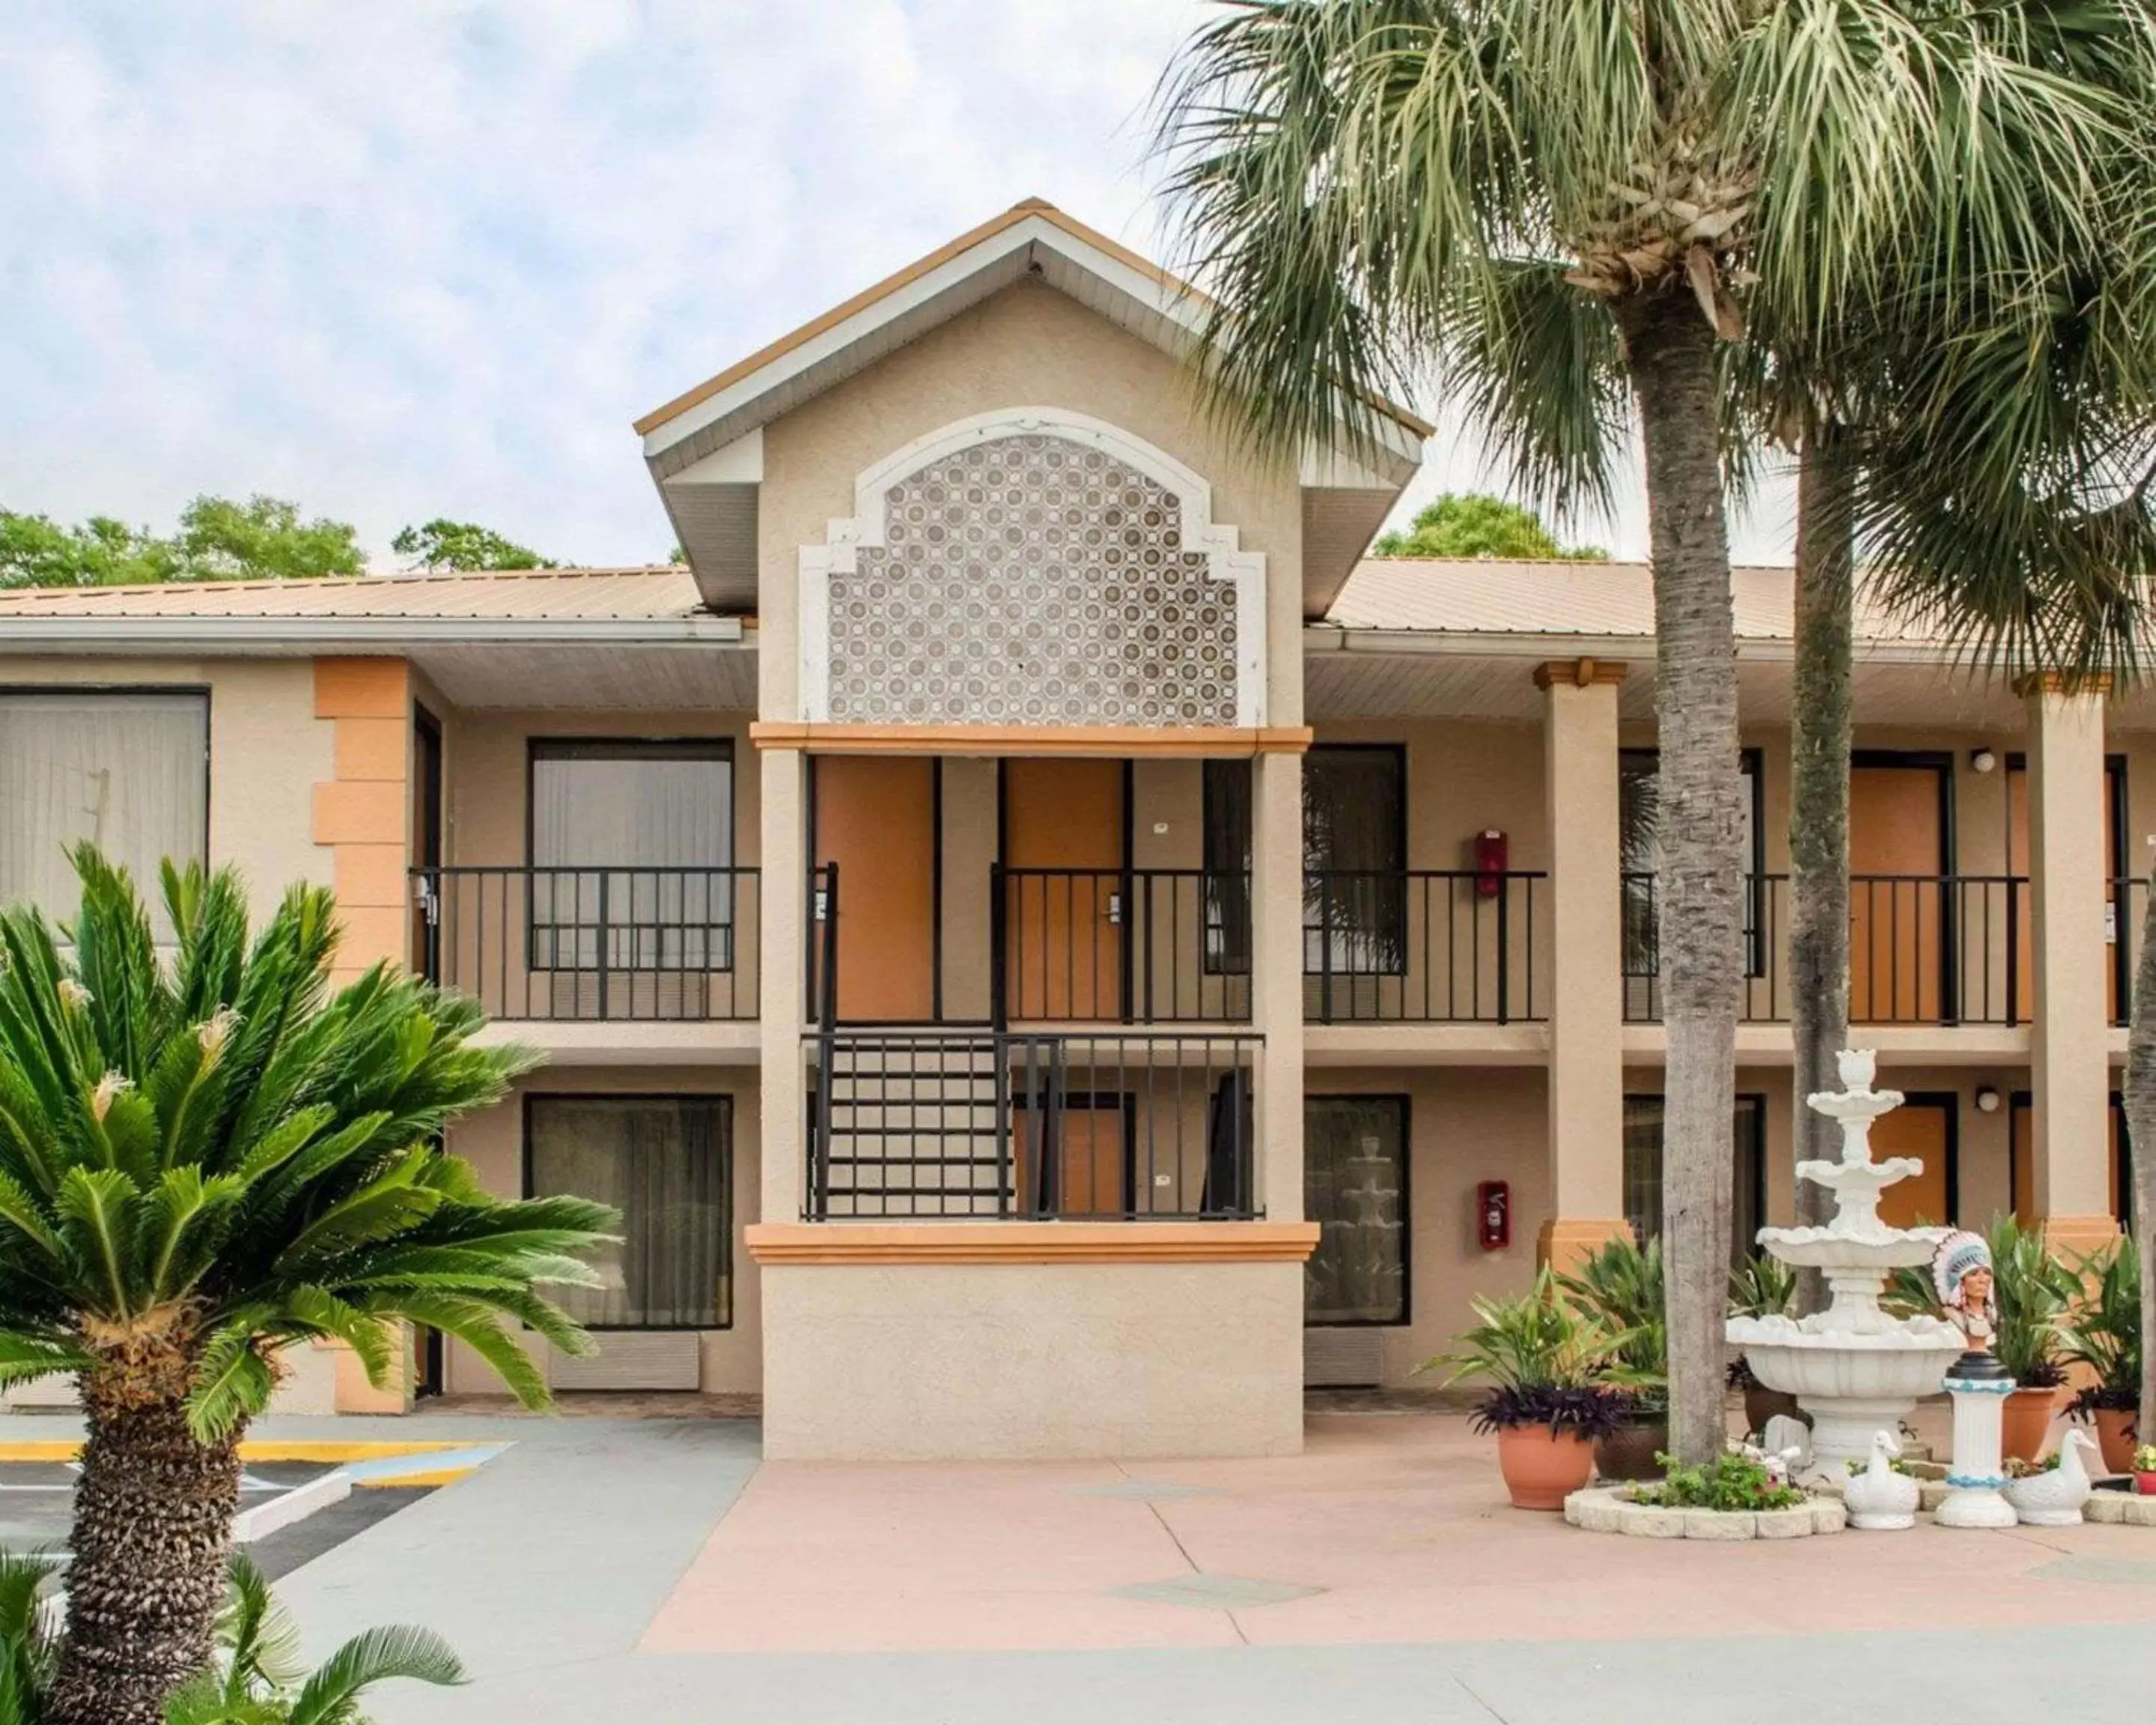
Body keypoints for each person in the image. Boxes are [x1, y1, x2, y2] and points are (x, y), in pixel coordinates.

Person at [1931, 1229, 1997, 1350]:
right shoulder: (1952, 1315)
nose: (1982, 1280)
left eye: (1987, 1273)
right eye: (1973, 1274)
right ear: (1961, 1282)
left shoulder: (1992, 1314)